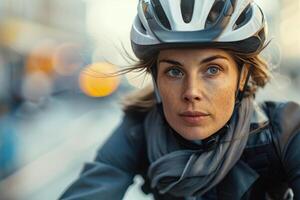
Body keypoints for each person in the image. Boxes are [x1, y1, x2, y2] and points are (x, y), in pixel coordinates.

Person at [59, 0, 300, 199]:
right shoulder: (140, 129)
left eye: (213, 69)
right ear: (156, 80)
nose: (191, 91)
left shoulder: (285, 131)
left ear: (242, 76)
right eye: (174, 71)